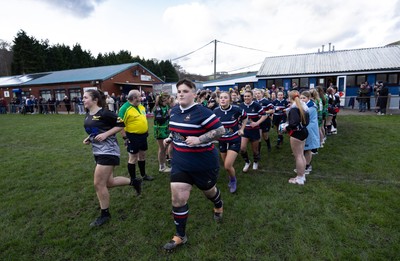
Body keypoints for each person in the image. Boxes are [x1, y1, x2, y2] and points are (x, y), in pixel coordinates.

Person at [162, 79, 225, 251]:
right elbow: (176, 130)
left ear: (194, 94)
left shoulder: (202, 112)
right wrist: (171, 137)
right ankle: (180, 235)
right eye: (179, 91)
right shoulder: (174, 111)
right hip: (181, 163)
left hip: (203, 164)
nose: (180, 94)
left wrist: (199, 139)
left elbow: (220, 131)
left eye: (185, 91)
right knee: (178, 198)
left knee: (209, 191)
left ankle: (218, 204)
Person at [82, 89, 136, 227]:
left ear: (95, 100)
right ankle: (134, 182)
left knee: (98, 183)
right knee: (109, 183)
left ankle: (105, 214)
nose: (83, 100)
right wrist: (89, 138)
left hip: (109, 151)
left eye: (85, 97)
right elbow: (97, 130)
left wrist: (106, 135)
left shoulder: (105, 113)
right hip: (98, 151)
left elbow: (121, 124)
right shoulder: (88, 114)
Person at [213, 91, 248, 193]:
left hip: (234, 139)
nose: (223, 99)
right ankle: (231, 176)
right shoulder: (215, 111)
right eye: (221, 98)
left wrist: (242, 129)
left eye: (225, 98)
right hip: (222, 141)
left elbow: (245, 118)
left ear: (230, 100)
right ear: (218, 100)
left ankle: (233, 180)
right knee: (227, 166)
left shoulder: (236, 109)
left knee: (227, 165)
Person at [119, 90, 154, 187]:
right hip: (132, 136)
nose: (142, 98)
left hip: (143, 136)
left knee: (142, 155)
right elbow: (120, 125)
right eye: (140, 96)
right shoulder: (124, 108)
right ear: (134, 98)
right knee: (133, 157)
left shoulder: (141, 106)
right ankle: (133, 179)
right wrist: (125, 138)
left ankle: (143, 175)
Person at [284, 90, 309, 185]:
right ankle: (302, 175)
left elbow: (293, 123)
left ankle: (299, 177)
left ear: (290, 98)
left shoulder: (294, 108)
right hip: (303, 131)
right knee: (301, 154)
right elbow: (306, 121)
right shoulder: (303, 106)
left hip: (297, 133)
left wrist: (286, 127)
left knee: (298, 155)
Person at [239, 90, 268, 172]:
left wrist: (257, 123)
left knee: (255, 150)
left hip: (254, 130)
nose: (246, 98)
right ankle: (247, 162)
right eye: (245, 96)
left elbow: (264, 115)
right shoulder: (240, 106)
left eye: (248, 96)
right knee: (242, 148)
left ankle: (255, 161)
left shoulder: (256, 105)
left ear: (252, 97)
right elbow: (237, 117)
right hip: (245, 131)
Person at [300, 91, 320, 175]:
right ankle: (304, 165)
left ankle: (307, 166)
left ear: (308, 98)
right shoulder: (306, 106)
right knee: (304, 149)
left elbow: (306, 120)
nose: (302, 100)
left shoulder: (311, 108)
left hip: (309, 130)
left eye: (304, 98)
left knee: (308, 149)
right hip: (306, 129)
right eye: (301, 98)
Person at [153, 92, 171, 173]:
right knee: (162, 149)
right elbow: (159, 120)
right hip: (159, 131)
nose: (170, 100)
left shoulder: (166, 106)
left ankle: (164, 164)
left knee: (165, 148)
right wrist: (168, 115)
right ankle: (162, 167)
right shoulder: (158, 108)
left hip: (165, 129)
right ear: (165, 99)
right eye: (168, 98)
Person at [254, 88, 274, 153]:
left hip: (265, 121)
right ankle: (258, 152)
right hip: (257, 121)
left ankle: (268, 145)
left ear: (262, 94)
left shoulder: (266, 101)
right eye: (256, 94)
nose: (257, 95)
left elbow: (272, 110)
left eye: (259, 93)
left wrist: (263, 112)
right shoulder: (254, 102)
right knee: (259, 137)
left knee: (265, 136)